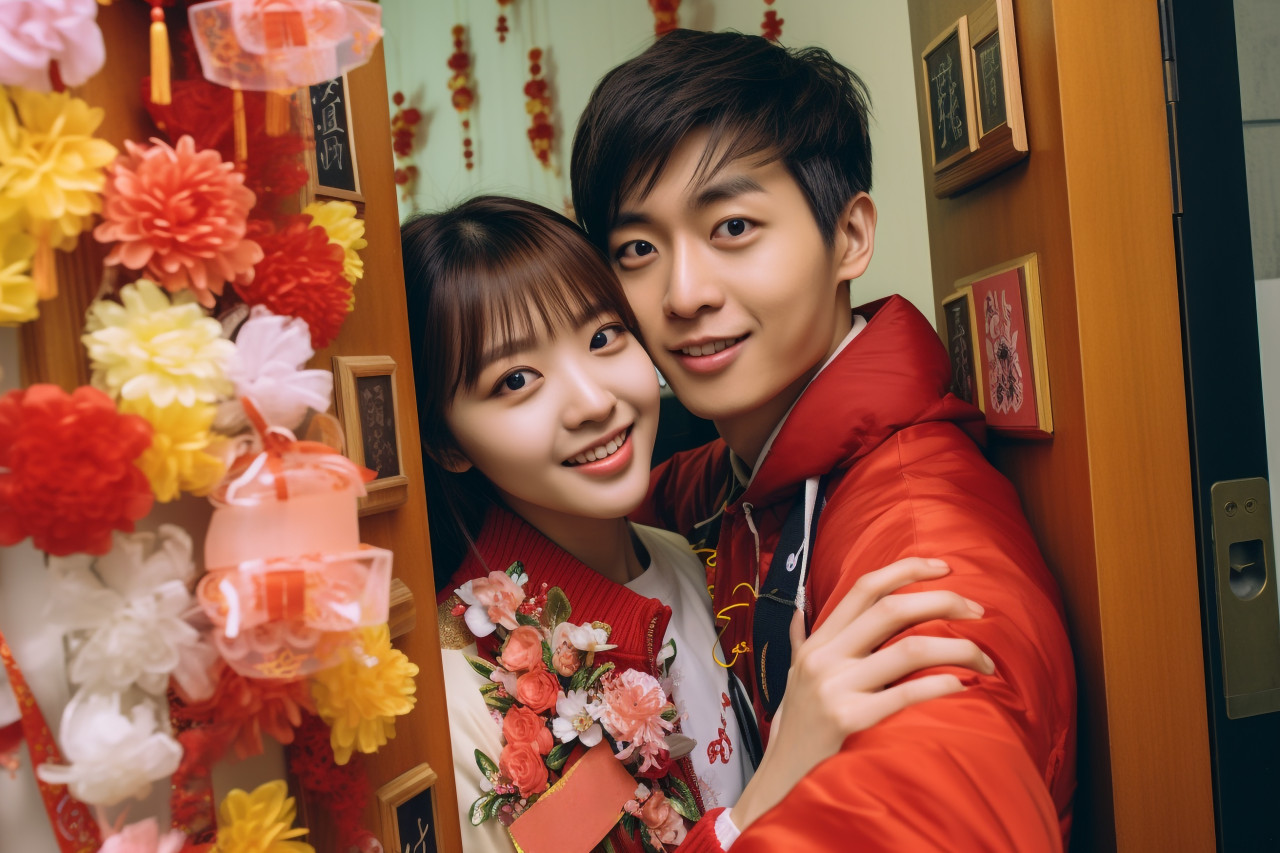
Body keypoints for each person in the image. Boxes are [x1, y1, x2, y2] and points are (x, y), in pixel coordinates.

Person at [570, 29, 1077, 852]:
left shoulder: (918, 540)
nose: (684, 293)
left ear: (849, 238)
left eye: (733, 226)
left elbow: (942, 799)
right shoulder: (729, 477)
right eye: (637, 249)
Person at [403, 196, 996, 852]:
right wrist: (773, 786)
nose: (595, 401)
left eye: (603, 337)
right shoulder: (455, 689)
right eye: (516, 379)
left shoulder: (683, 552)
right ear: (446, 441)